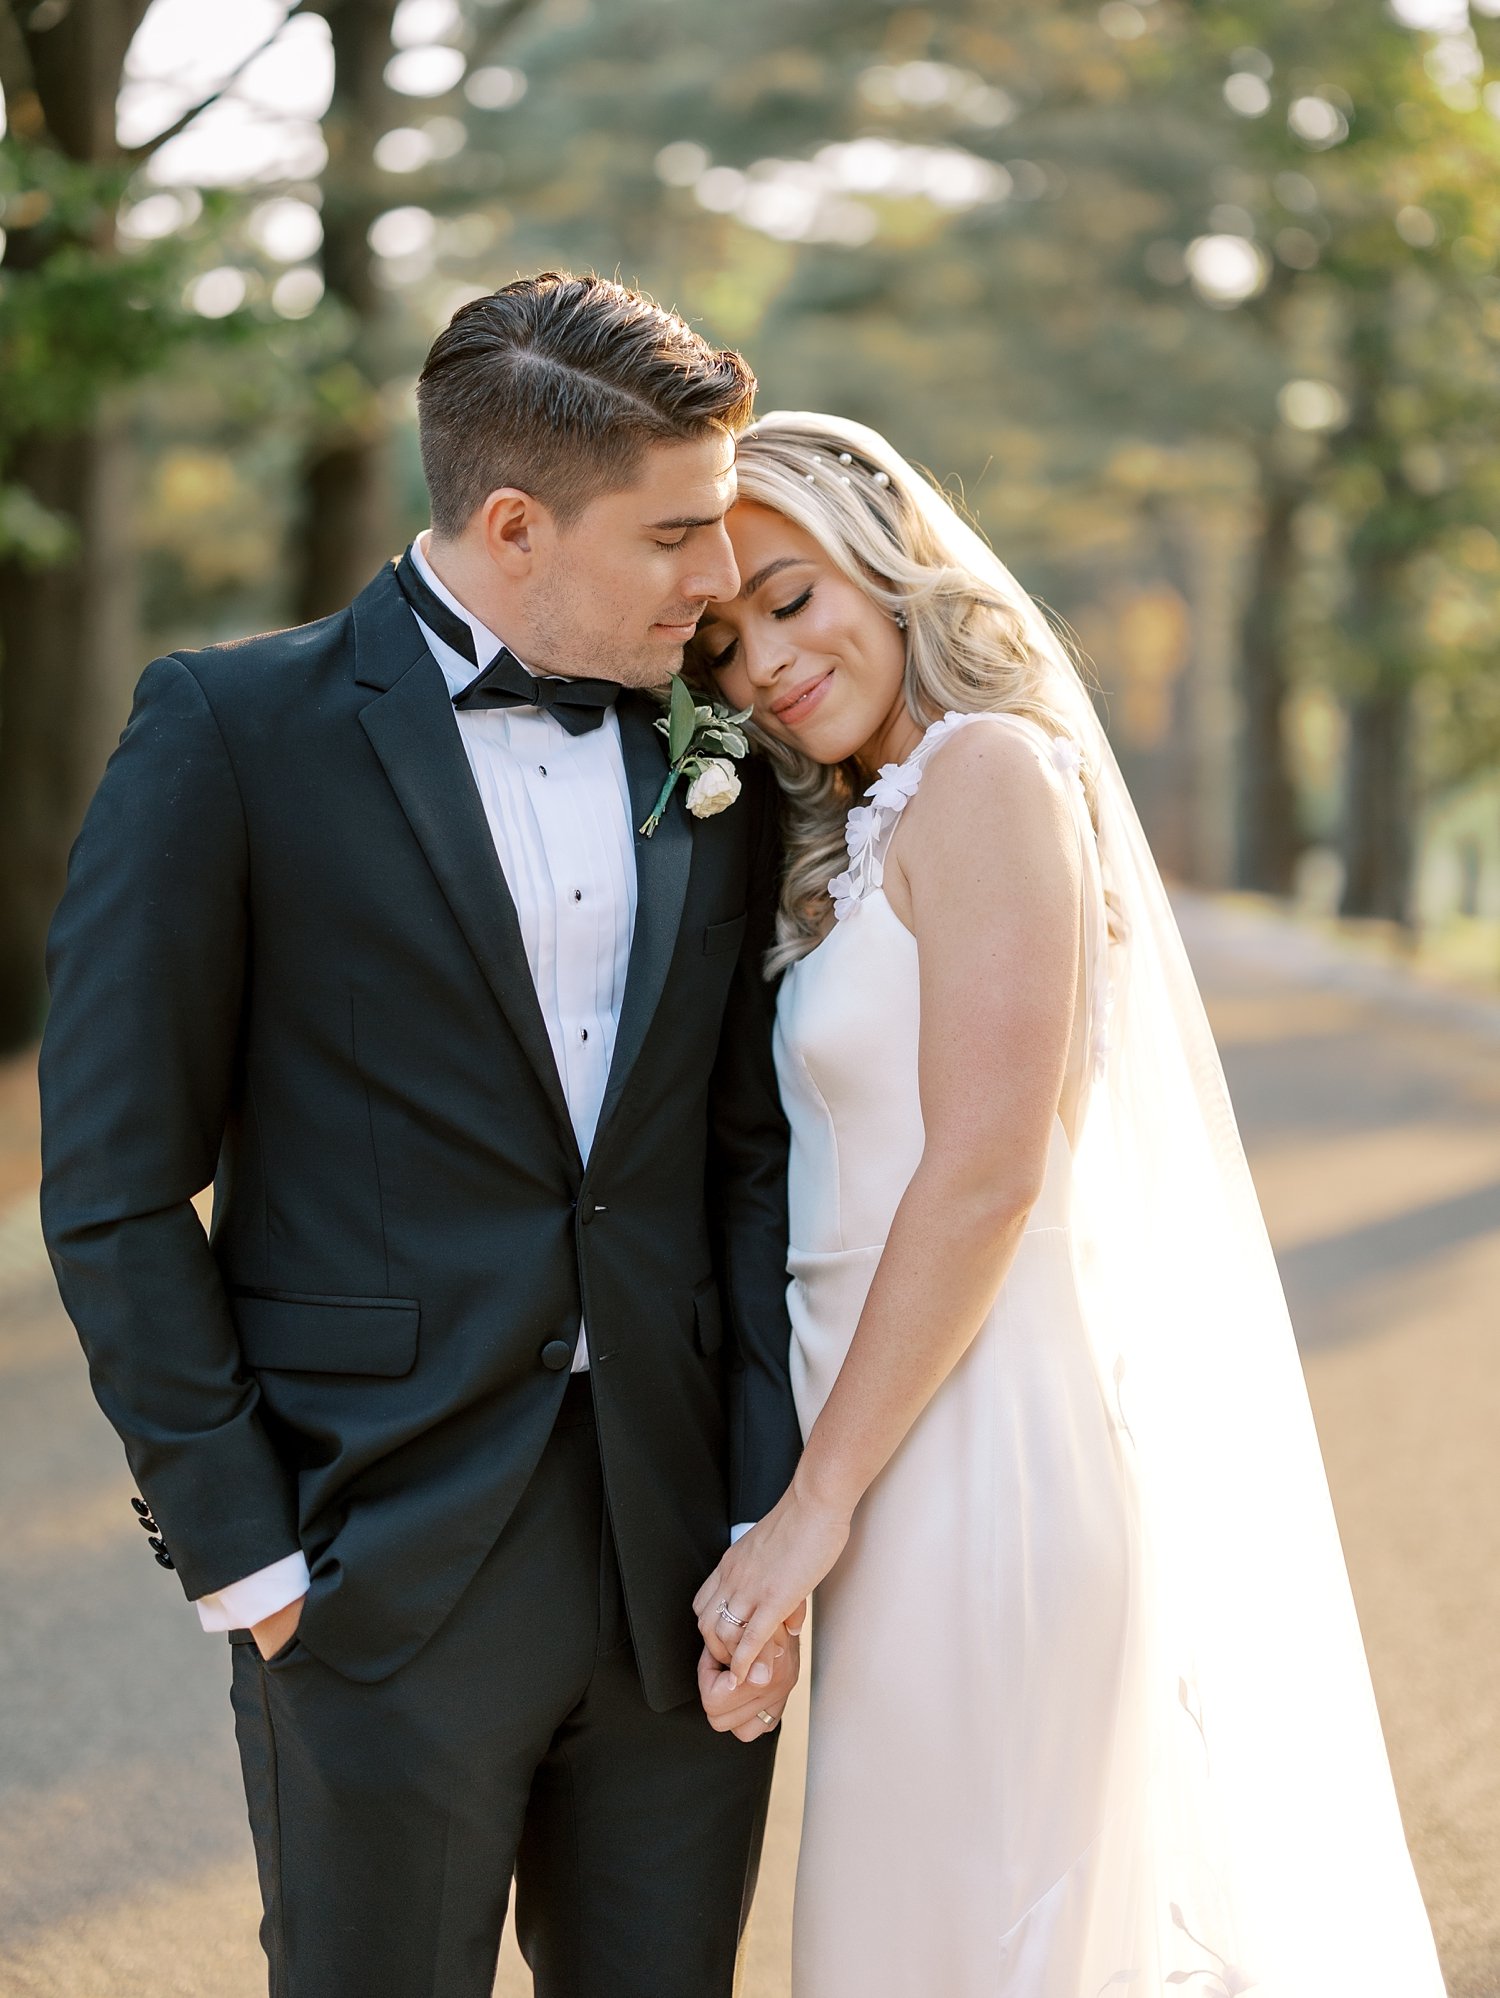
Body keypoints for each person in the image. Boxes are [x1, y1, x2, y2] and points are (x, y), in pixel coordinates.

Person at [38, 272, 803, 1998]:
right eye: (679, 532)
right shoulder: (230, 736)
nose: (718, 577)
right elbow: (109, 1182)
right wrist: (247, 1550)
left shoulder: (723, 753)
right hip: (372, 1565)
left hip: (681, 1568)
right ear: (516, 521)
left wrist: (770, 1506)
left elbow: (744, 1157)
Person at [688, 411, 1450, 1997]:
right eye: (721, 639)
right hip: (892, 1465)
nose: (760, 663)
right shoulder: (861, 825)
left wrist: (807, 1514)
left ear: (886, 565)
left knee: (989, 1934)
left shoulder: (987, 772)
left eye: (788, 596)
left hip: (986, 1465)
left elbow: (985, 1173)